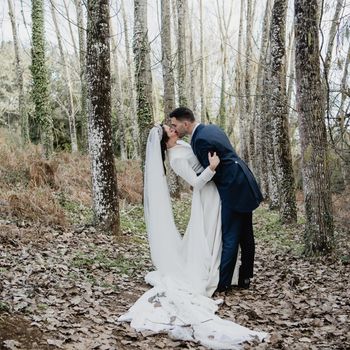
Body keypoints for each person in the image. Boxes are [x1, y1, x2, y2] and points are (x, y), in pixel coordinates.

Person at [118, 125, 267, 349]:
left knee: (217, 233)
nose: (173, 127)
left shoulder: (182, 145)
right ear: (165, 138)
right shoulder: (175, 158)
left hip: (214, 190)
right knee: (212, 234)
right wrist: (212, 168)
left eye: (172, 125)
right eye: (169, 128)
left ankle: (229, 274)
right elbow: (197, 182)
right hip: (206, 195)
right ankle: (218, 275)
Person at [170, 107, 263, 293]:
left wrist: (206, 173)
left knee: (230, 235)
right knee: (246, 234)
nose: (174, 128)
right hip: (243, 180)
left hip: (232, 187)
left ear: (185, 123)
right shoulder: (210, 128)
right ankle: (245, 276)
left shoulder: (200, 140)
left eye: (175, 124)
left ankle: (224, 283)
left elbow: (213, 171)